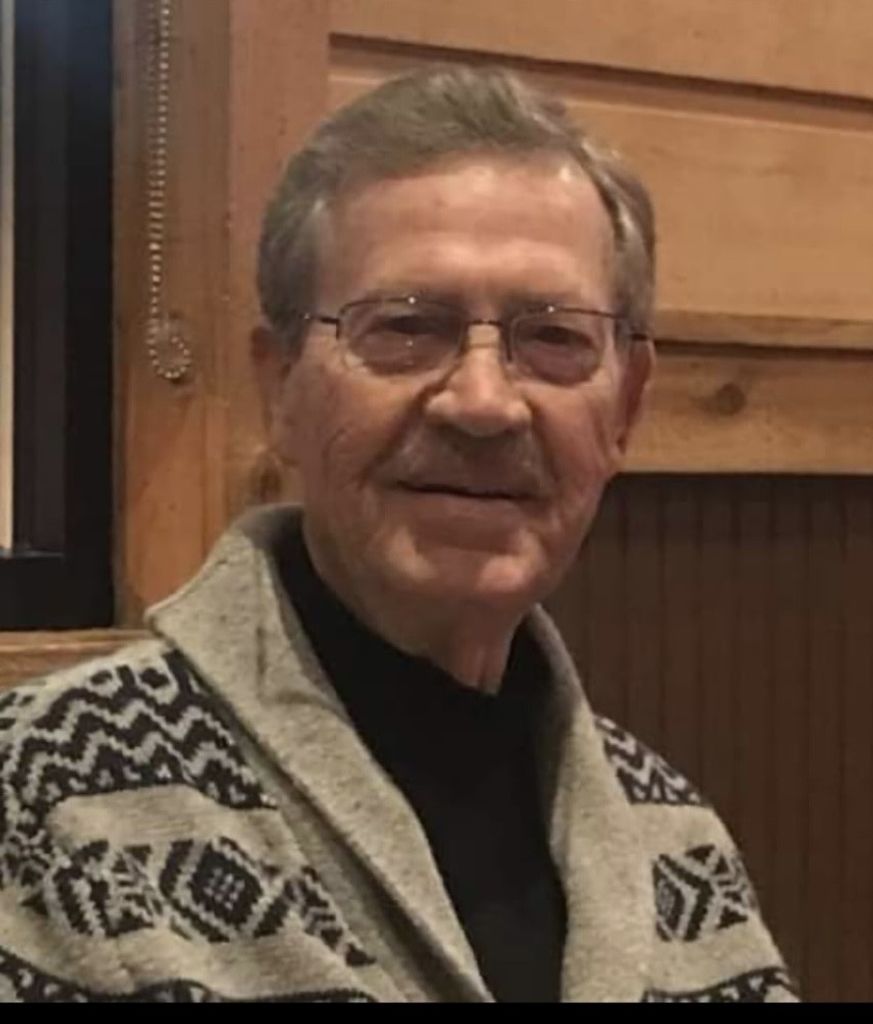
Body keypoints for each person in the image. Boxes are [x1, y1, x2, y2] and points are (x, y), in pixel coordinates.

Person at [0, 66, 795, 1003]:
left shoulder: (677, 842)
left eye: (553, 338)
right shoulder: (44, 797)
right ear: (280, 388)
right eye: (408, 326)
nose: (484, 403)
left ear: (625, 406)